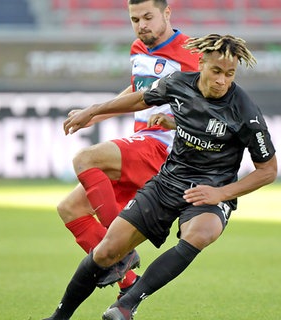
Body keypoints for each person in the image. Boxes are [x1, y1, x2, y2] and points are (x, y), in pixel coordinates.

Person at [43, 34, 278, 320]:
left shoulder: (245, 111)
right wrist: (93, 111)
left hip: (210, 190)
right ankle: (59, 317)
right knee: (106, 252)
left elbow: (268, 170)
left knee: (201, 233)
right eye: (216, 71)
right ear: (200, 63)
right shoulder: (178, 83)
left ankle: (126, 305)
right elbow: (140, 99)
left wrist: (221, 194)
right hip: (167, 182)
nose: (222, 80)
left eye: (229, 74)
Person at [55, 0, 199, 297]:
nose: (141, 24)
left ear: (167, 13)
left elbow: (210, 98)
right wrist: (94, 114)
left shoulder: (191, 51)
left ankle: (119, 249)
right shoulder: (138, 49)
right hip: (142, 145)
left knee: (86, 158)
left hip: (165, 147)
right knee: (70, 208)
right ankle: (128, 281)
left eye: (148, 17)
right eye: (135, 19)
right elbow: (137, 92)